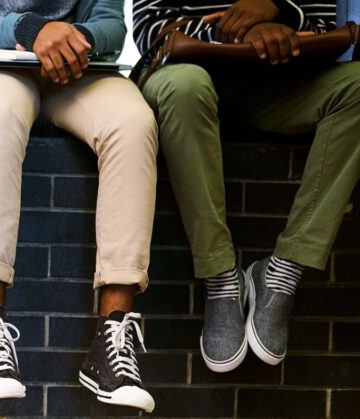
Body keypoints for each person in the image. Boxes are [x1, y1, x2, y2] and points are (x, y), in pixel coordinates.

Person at [0, 0, 159, 411]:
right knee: (0, 111)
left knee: (133, 123)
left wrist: (73, 42)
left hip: (74, 72)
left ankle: (113, 338)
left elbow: (111, 26)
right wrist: (31, 30)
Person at [134, 0, 360, 372]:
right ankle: (221, 280)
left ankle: (281, 273)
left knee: (357, 85)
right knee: (185, 86)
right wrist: (244, 33)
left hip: (279, 84)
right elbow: (149, 29)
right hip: (189, 75)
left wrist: (279, 12)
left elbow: (323, 25)